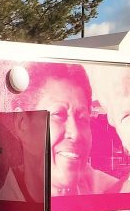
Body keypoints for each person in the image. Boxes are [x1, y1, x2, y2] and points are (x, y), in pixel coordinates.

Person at [9, 62, 115, 199]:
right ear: (22, 124)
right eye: (59, 115)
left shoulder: (110, 194)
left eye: (82, 118)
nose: (75, 133)